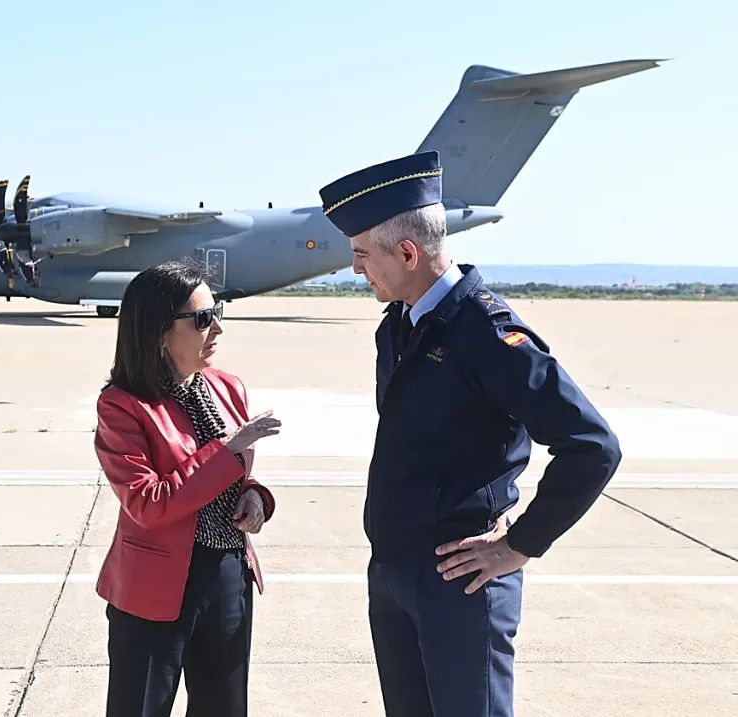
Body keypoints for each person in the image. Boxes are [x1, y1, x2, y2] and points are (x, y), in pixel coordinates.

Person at [318, 151, 622, 716]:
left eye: (361, 254)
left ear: (407, 253)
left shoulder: (487, 335)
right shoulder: (399, 325)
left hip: (460, 581)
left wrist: (519, 545)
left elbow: (592, 447)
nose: (355, 269)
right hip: (393, 573)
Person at [93, 259, 282, 717]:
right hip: (154, 584)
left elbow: (235, 473)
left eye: (217, 312)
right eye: (201, 319)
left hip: (227, 572)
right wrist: (227, 448)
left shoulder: (227, 387)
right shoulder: (122, 406)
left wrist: (255, 496)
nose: (217, 328)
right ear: (159, 331)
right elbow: (148, 503)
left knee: (224, 707)